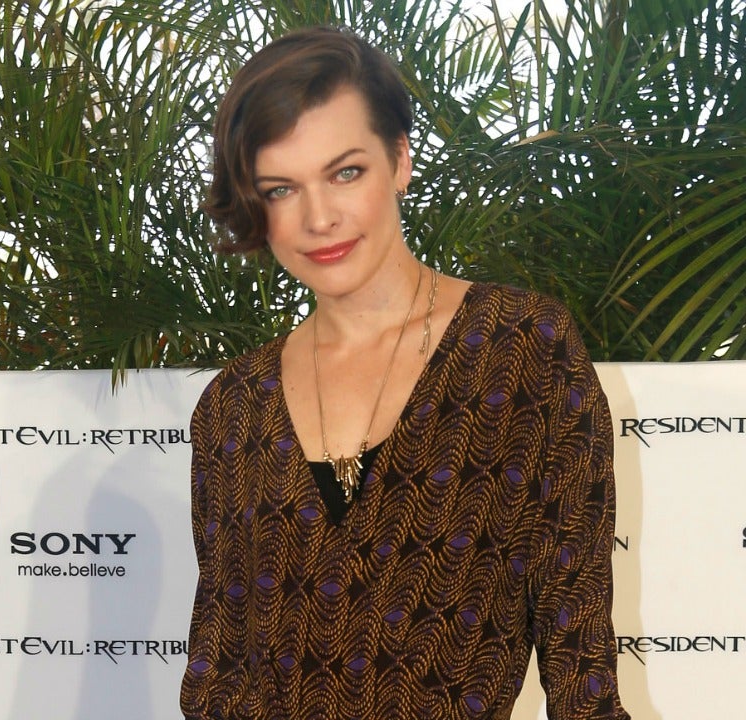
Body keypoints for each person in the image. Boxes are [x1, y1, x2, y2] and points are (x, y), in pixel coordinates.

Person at [181, 26, 628, 719]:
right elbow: (219, 675)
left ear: (399, 161)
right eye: (281, 189)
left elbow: (582, 666)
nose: (319, 217)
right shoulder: (232, 406)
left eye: (345, 172)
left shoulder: (523, 348)